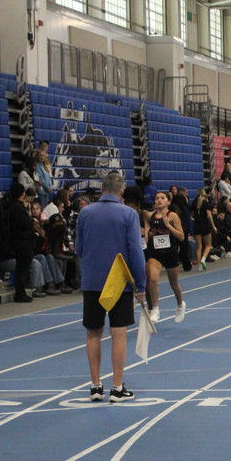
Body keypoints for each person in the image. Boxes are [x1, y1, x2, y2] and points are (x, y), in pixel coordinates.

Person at [76, 172, 147, 403]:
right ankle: (117, 387)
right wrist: (140, 284)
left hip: (92, 280)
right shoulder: (129, 214)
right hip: (119, 282)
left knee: (93, 333)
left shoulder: (85, 213)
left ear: (102, 189)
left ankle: (95, 386)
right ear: (122, 191)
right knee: (118, 333)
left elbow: (79, 248)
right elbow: (135, 251)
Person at [144, 191, 186, 323]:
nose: (159, 200)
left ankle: (180, 305)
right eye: (157, 198)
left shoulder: (172, 216)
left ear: (168, 201)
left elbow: (181, 237)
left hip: (170, 253)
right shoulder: (149, 215)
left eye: (162, 198)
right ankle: (155, 309)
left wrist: (168, 226)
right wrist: (147, 232)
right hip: (154, 253)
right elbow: (146, 227)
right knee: (152, 280)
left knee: (174, 284)